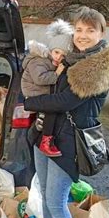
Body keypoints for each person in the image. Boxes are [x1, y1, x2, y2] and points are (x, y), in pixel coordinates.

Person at [24, 7, 109, 218]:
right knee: (47, 199)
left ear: (101, 34)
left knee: (56, 204)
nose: (83, 35)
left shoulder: (97, 67)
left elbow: (66, 101)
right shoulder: (71, 59)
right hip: (46, 135)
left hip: (68, 143)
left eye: (90, 30)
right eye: (78, 29)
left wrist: (30, 102)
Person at [21, 19, 73, 157]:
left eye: (63, 55)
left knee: (51, 108)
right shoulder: (39, 60)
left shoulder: (51, 61)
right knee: (51, 108)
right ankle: (44, 140)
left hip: (38, 92)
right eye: (56, 52)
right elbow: (40, 79)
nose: (59, 57)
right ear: (50, 50)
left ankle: (40, 131)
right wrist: (56, 73)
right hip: (33, 91)